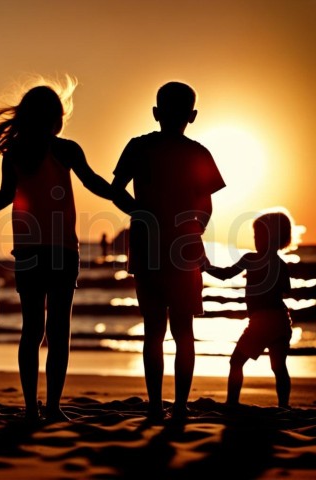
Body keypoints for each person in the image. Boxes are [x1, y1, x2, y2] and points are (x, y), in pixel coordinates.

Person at [0, 77, 129, 422]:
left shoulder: (14, 153)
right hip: (63, 250)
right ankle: (51, 408)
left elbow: (2, 198)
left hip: (29, 251)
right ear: (56, 118)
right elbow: (93, 182)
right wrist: (125, 199)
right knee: (58, 331)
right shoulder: (65, 149)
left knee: (31, 329)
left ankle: (33, 408)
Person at [110, 81, 226, 421]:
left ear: (156, 113)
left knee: (154, 331)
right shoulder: (198, 152)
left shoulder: (139, 147)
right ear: (192, 116)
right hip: (183, 250)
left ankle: (156, 404)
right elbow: (206, 207)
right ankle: (178, 406)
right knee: (183, 330)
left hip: (147, 248)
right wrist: (191, 230)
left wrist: (141, 214)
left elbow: (116, 191)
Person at [204, 210, 294, 408]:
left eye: (259, 235)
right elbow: (286, 290)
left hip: (261, 322)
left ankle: (232, 402)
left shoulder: (250, 259)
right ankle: (284, 406)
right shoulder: (281, 264)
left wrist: (205, 266)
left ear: (273, 237)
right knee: (279, 367)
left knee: (236, 362)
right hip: (281, 319)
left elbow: (226, 275)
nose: (256, 239)